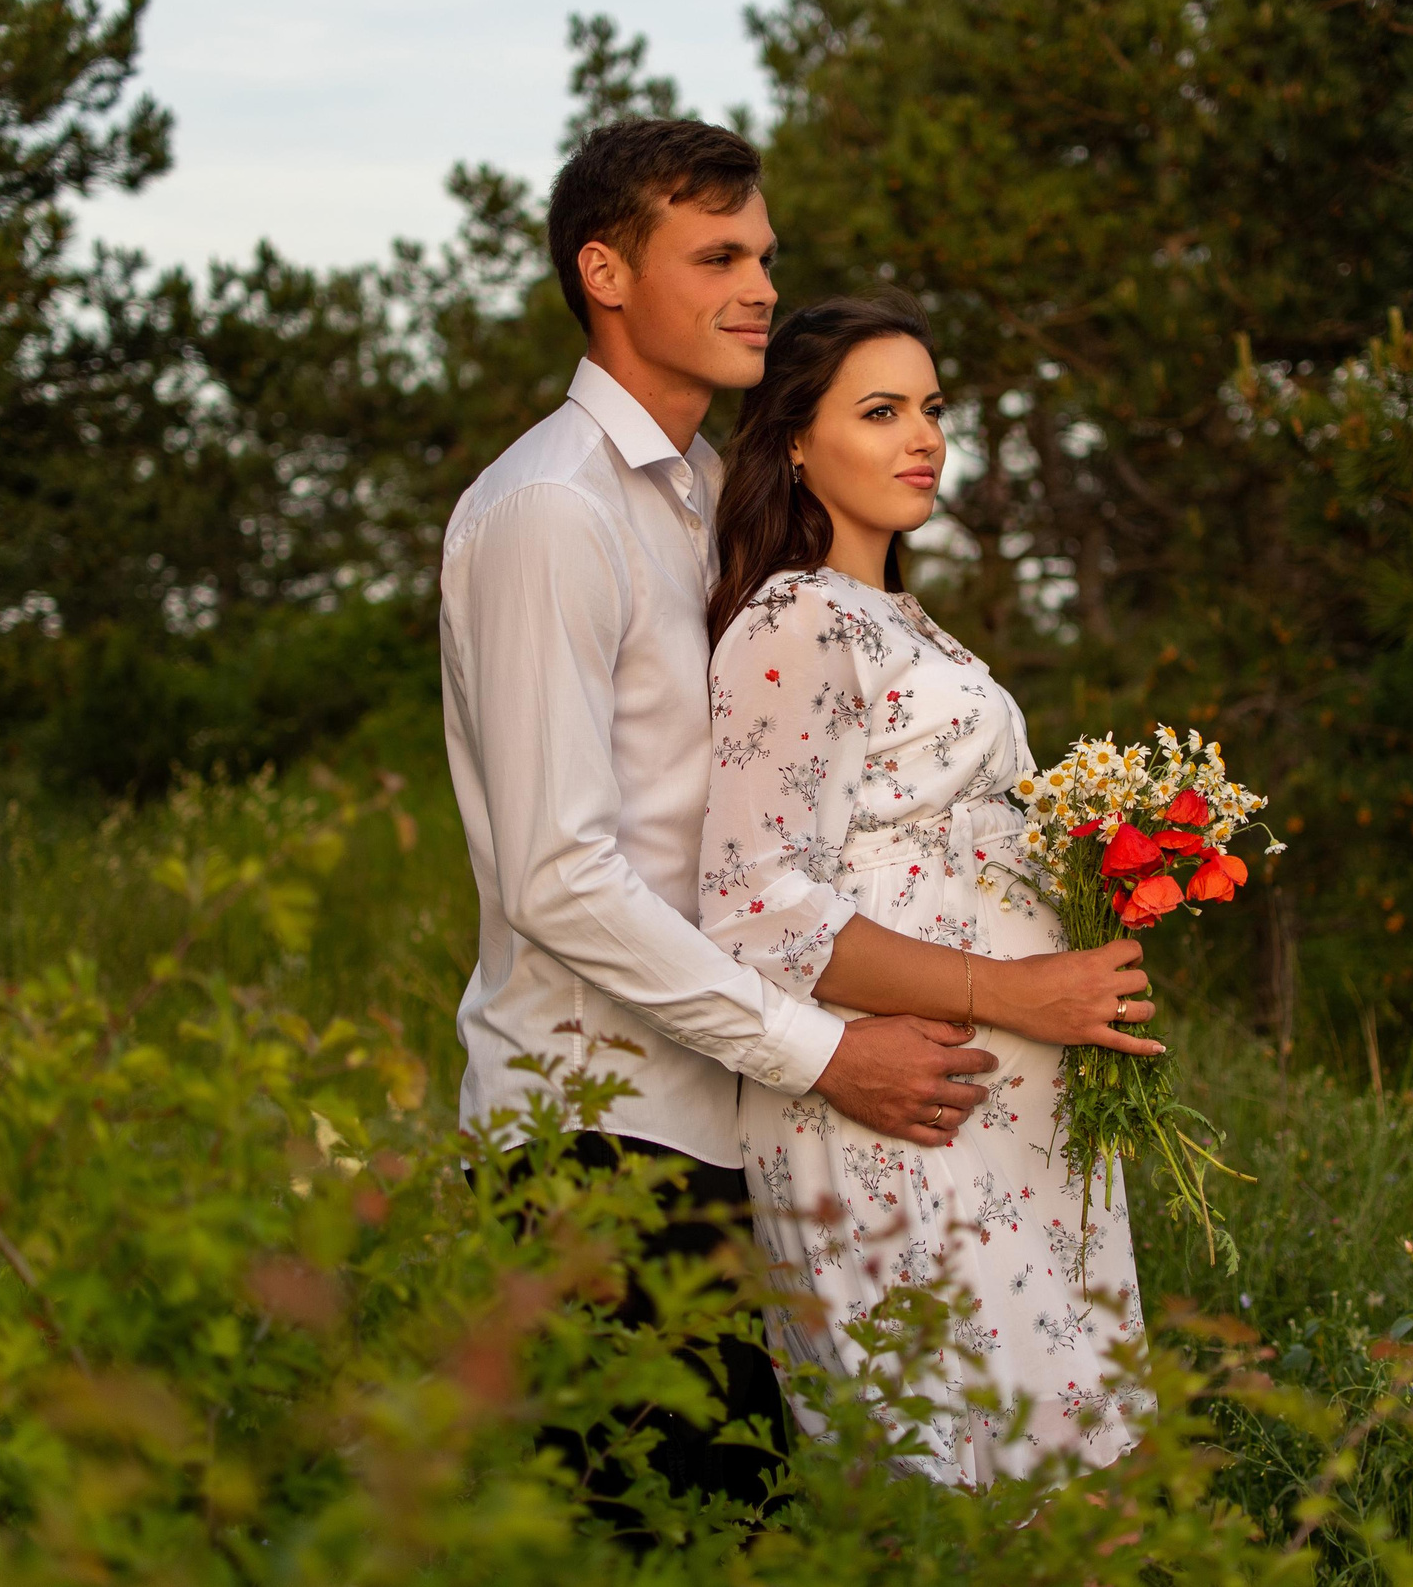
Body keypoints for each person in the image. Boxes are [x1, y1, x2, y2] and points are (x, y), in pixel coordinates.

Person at [440, 120, 1151, 1514]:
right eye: (717, 256)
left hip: (738, 1125)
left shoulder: (707, 506)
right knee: (657, 1536)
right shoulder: (547, 513)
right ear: (604, 272)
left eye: (766, 253)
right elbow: (557, 875)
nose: (761, 283)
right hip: (597, 1133)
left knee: (778, 1528)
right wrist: (824, 1047)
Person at [696, 292, 1154, 1486]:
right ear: (795, 440)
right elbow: (756, 905)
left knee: (1067, 1487)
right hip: (900, 1102)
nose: (925, 438)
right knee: (957, 1478)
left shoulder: (904, 618)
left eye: (934, 409)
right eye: (882, 409)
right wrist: (1013, 989)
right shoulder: (795, 615)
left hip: (1002, 1111)